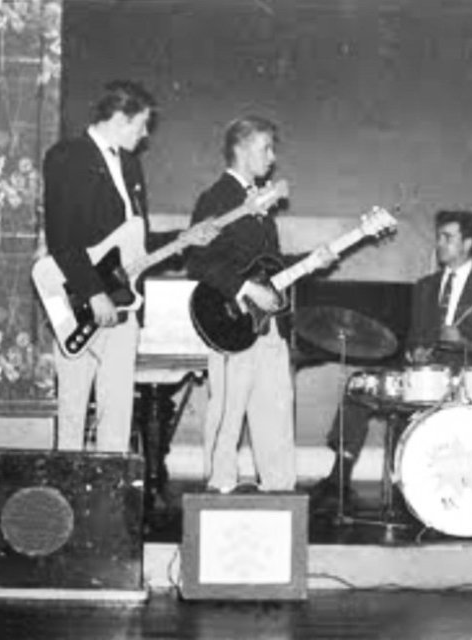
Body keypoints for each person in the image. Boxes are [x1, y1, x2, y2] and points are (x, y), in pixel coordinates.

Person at [310, 209, 472, 508]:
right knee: (359, 386)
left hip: (464, 384)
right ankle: (338, 479)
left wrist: (464, 342)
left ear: (468, 243)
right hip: (422, 379)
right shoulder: (424, 287)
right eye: (439, 237)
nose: (440, 243)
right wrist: (414, 351)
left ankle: (406, 489)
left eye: (448, 238)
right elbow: (414, 337)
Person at [185, 116, 337, 494]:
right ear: (240, 148)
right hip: (232, 326)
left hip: (269, 328)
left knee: (276, 410)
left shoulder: (261, 204)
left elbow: (271, 268)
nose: (272, 158)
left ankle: (279, 491)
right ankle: (219, 488)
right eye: (265, 148)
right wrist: (246, 290)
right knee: (228, 414)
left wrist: (311, 261)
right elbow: (198, 261)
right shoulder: (216, 198)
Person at [43, 80, 162, 453]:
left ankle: (112, 487)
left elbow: (134, 238)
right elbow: (62, 238)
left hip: (124, 300)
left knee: (118, 409)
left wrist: (188, 237)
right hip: (81, 299)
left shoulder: (130, 164)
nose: (145, 135)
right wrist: (94, 293)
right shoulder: (67, 156)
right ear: (120, 119)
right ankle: (67, 486)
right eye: (142, 125)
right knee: (73, 409)